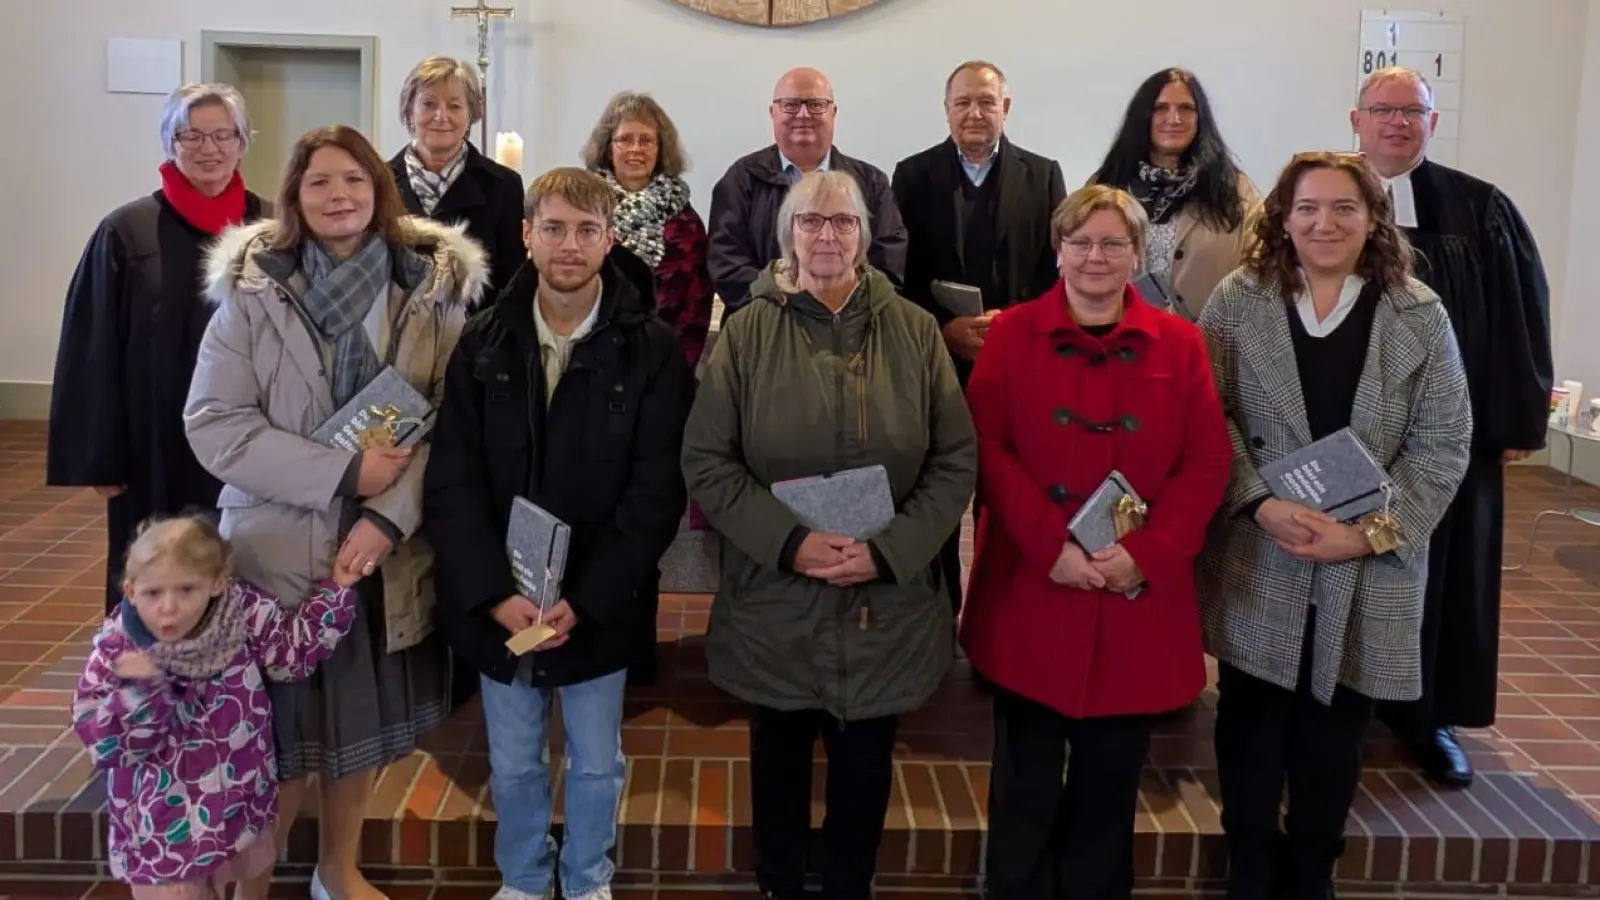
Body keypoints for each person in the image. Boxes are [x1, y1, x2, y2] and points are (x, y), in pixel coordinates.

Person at [186, 124, 487, 900]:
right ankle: (251, 882)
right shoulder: (252, 299)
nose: (338, 196)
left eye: (353, 179)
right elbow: (214, 424)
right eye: (318, 182)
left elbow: (455, 424)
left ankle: (336, 868)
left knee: (355, 737)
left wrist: (387, 517)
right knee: (276, 743)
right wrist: (341, 469)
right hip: (277, 552)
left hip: (381, 554)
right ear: (293, 197)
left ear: (378, 191)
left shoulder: (428, 293)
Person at [682, 170, 976, 900]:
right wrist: (789, 543)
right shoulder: (748, 332)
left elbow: (954, 459)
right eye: (810, 222)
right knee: (777, 762)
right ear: (788, 235)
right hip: (777, 593)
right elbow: (707, 461)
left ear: (865, 236)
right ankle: (779, 884)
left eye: (842, 223)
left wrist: (890, 550)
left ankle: (850, 886)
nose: (826, 236)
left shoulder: (911, 330)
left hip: (885, 597)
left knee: (865, 766)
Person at [1197, 151, 1471, 900]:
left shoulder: (1419, 312)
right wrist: (1259, 500)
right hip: (1263, 545)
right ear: (1281, 219)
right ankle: (1249, 864)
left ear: (1373, 219)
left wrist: (1371, 532)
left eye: (1344, 208)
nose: (1325, 223)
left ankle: (1313, 867)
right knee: (1251, 718)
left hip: (1367, 557)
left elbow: (1445, 444)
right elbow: (1206, 414)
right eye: (1308, 208)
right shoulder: (1238, 299)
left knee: (1337, 725)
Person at [424, 167, 690, 900]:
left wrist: (592, 596)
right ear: (526, 235)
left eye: (584, 230)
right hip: (502, 603)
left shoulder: (654, 351)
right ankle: (523, 877)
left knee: (597, 759)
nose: (568, 245)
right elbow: (452, 480)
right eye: (553, 227)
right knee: (513, 759)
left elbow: (656, 489)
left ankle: (586, 877)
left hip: (597, 603)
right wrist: (491, 592)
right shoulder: (482, 342)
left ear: (610, 239)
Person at [959, 184, 1231, 900]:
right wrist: (1051, 547)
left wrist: (1146, 552)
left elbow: (1206, 462)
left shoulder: (1182, 343)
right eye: (1080, 242)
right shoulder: (1012, 333)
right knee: (1024, 787)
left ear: (1141, 254)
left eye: (1114, 243)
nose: (1096, 257)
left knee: (1111, 791)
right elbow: (987, 446)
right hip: (1034, 586)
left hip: (1135, 597)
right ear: (1058, 251)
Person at [1351, 65, 1555, 788]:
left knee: (1446, 573)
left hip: (1447, 437)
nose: (1398, 122)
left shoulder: (1480, 209)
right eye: (1384, 110)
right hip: (1349, 432)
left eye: (1413, 111)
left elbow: (1520, 318)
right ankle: (1345, 704)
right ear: (1357, 121)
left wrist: (1515, 417)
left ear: (1432, 123)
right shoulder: (1323, 202)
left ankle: (1427, 714)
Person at [47, 83, 270, 615]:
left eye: (223, 134)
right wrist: (102, 454)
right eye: (189, 135)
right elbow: (93, 344)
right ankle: (147, 685)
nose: (207, 148)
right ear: (168, 143)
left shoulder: (271, 228)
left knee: (246, 569)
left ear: (243, 142)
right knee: (155, 577)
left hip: (252, 435)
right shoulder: (126, 231)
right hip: (154, 441)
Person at [72, 515, 359, 900]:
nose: (168, 608)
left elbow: (292, 653)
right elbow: (105, 742)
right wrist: (142, 693)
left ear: (217, 583)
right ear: (130, 588)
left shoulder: (242, 614)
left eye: (186, 589)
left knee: (235, 880)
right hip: (164, 833)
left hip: (235, 810)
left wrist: (337, 590)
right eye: (153, 593)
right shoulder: (117, 648)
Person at [890, 59, 1065, 615]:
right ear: (946, 110)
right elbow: (900, 274)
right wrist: (944, 329)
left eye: (986, 102)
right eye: (963, 102)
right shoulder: (911, 176)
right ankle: (936, 625)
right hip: (936, 363)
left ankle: (1001, 625)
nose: (975, 112)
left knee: (1008, 504)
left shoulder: (1044, 175)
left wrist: (1010, 328)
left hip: (1016, 364)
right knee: (936, 500)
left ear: (1005, 109)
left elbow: (1052, 273)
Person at [707, 66, 907, 316]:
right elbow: (727, 264)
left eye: (815, 104)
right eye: (790, 104)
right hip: (762, 333)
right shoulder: (741, 179)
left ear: (833, 112)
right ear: (773, 113)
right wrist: (788, 310)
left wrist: (836, 314)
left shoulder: (870, 183)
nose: (803, 114)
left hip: (852, 335)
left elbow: (887, 264)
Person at [1088, 68, 1257, 321]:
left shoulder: (1234, 190)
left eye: (1186, 109)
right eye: (1160, 108)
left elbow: (1258, 269)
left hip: (1209, 346)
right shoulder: (1105, 186)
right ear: (1142, 116)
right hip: (1118, 343)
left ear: (1201, 118)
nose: (1174, 118)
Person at [581, 90, 714, 373]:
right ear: (607, 147)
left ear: (661, 149)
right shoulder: (583, 210)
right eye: (625, 139)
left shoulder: (686, 222)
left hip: (662, 367)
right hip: (588, 365)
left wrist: (671, 371)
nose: (635, 149)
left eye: (646, 140)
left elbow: (697, 308)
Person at [388, 55, 525, 308]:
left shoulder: (503, 186)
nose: (441, 116)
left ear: (471, 113)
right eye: (428, 104)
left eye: (454, 106)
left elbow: (513, 281)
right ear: (409, 109)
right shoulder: (378, 183)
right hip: (395, 338)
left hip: (475, 338)